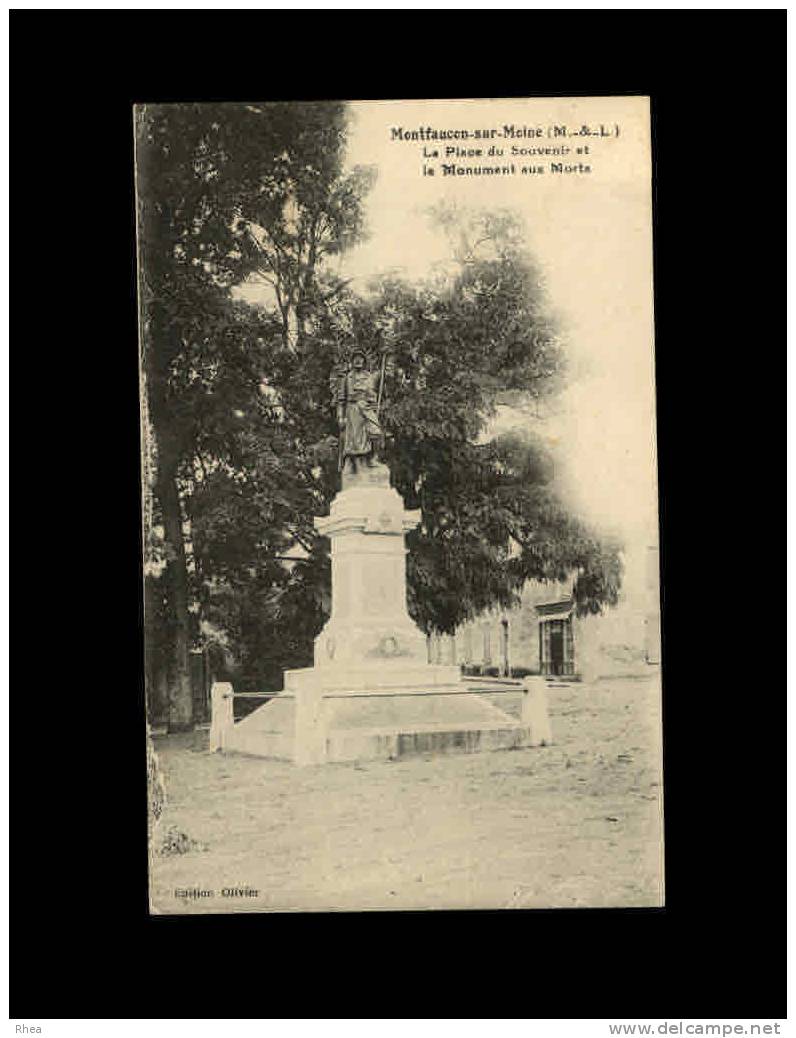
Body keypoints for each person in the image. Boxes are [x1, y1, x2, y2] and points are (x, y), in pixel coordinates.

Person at [332, 348, 385, 475]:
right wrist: (340, 416)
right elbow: (341, 400)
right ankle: (352, 464)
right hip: (352, 409)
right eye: (355, 358)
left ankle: (374, 458)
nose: (358, 360)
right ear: (352, 361)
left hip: (366, 408)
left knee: (376, 432)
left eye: (360, 358)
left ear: (364, 360)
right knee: (353, 441)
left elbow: (372, 394)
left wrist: (374, 406)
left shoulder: (368, 376)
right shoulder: (346, 378)